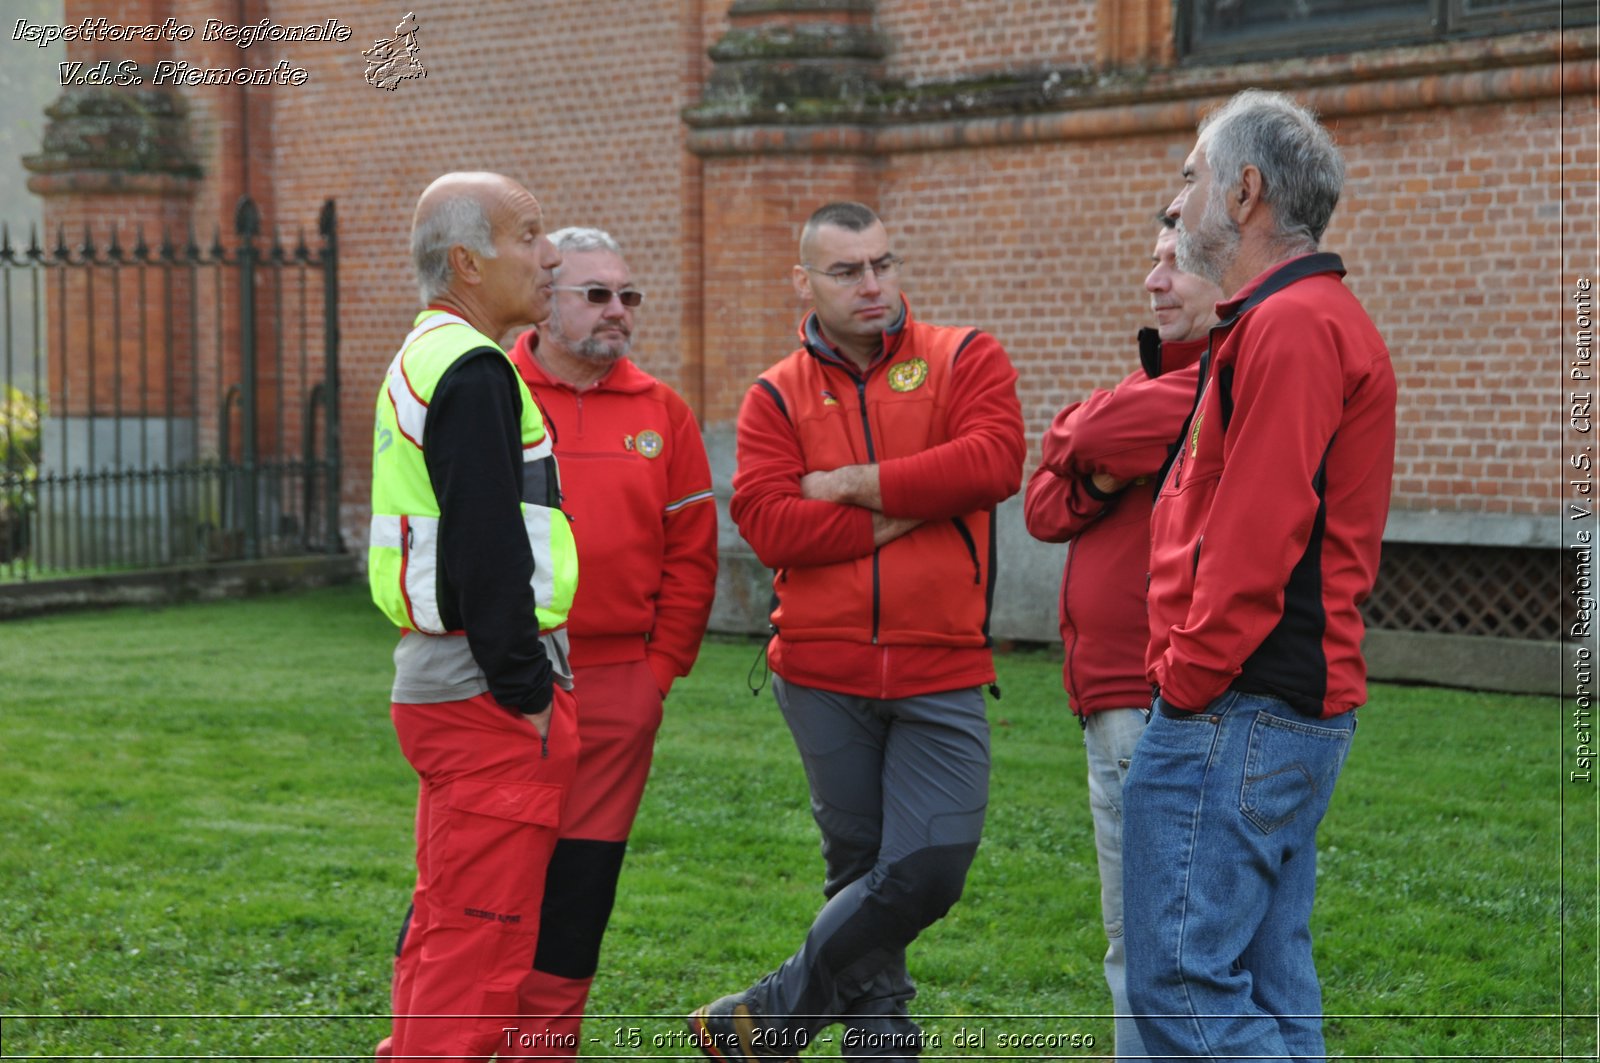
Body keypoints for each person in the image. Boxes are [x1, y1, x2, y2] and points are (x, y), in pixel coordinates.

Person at [694, 201, 1025, 1062]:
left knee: (928, 868)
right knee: (860, 868)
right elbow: (770, 525)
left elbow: (992, 462)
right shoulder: (775, 394)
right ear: (803, 281)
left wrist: (849, 481)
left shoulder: (965, 357)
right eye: (847, 271)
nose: (872, 285)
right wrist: (906, 507)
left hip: (942, 665)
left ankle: (768, 1017)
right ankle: (882, 1046)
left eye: (883, 264)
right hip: (819, 670)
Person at [1122, 89, 1397, 1061]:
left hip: (1236, 708)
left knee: (1185, 986)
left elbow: (1255, 534)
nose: (1177, 197)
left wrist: (1184, 686)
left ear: (1243, 193)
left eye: (1190, 175)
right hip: (1274, 711)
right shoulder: (1297, 319)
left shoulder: (1290, 326)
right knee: (1270, 986)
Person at [367, 171, 579, 1062]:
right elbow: (487, 543)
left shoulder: (428, 353)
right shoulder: (474, 367)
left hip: (448, 682)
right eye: (528, 235)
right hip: (487, 691)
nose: (550, 254)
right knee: (482, 934)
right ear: (467, 260)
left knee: (452, 916)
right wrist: (526, 685)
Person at [503, 226, 718, 1052]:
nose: (619, 311)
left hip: (620, 685)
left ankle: (546, 1043)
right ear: (546, 300)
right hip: (509, 680)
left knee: (581, 885)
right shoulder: (492, 389)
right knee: (487, 874)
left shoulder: (663, 411)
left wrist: (655, 672)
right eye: (597, 295)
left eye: (629, 295)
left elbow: (693, 555)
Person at [1021, 212, 1221, 1060]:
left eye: (1174, 265)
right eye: (1152, 261)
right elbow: (1040, 506)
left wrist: (1090, 442)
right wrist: (1101, 466)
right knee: (1133, 941)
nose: (1154, 280)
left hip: (1153, 697)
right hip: (1109, 699)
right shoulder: (1156, 386)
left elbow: (1085, 435)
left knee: (1161, 945)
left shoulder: (1218, 380)